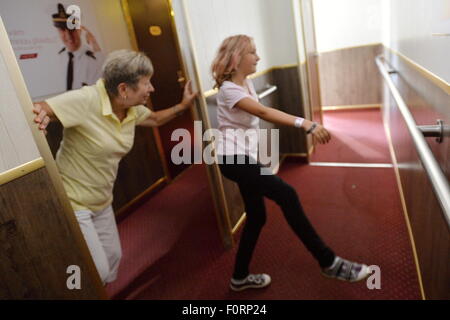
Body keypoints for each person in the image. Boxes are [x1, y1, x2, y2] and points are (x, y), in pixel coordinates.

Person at [211, 35, 370, 292]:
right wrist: (305, 123)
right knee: (287, 194)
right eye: (252, 52)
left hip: (243, 158)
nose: (258, 57)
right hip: (233, 160)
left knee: (257, 216)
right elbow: (262, 112)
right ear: (236, 58)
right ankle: (328, 261)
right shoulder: (229, 90)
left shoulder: (246, 83)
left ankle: (239, 277)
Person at [32, 49, 197, 284]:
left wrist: (183, 105)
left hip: (102, 200)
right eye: (146, 83)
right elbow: (40, 108)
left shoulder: (131, 109)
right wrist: (40, 114)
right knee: (96, 271)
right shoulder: (87, 100)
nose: (151, 89)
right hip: (74, 202)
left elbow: (155, 119)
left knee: (113, 259)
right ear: (123, 89)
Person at [52, 3, 104, 91]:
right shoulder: (56, 58)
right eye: (63, 30)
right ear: (58, 31)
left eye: (72, 30)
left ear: (79, 30)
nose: (68, 36)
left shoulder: (93, 60)